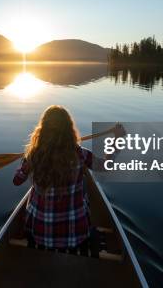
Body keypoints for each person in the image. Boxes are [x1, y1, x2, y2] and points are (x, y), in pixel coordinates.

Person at [12, 105, 121, 250]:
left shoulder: (34, 155)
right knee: (84, 197)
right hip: (76, 236)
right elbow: (106, 166)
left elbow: (17, 181)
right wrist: (117, 141)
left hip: (39, 233)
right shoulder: (81, 154)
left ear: (43, 130)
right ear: (69, 129)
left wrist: (24, 167)